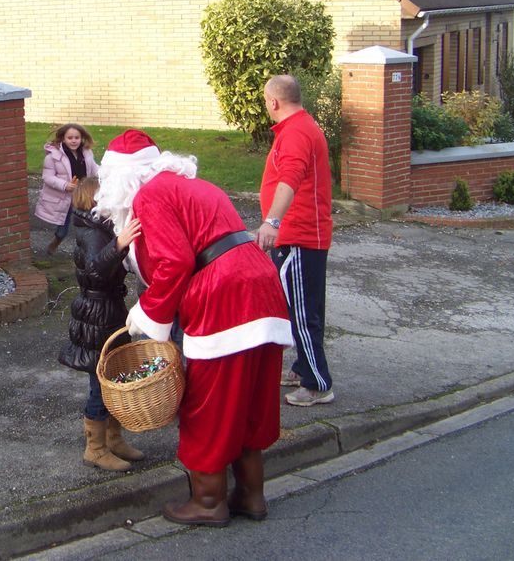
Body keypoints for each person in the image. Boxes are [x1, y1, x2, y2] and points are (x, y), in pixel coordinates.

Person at [95, 130, 293, 527]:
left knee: (210, 404)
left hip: (224, 297)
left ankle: (207, 501)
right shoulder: (194, 185)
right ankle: (251, 495)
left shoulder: (149, 196)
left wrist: (147, 311)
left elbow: (176, 262)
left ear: (121, 178)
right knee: (251, 399)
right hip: (261, 284)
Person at [256, 74, 335, 407]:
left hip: (299, 237)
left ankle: (318, 384)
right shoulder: (299, 127)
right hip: (302, 235)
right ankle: (303, 368)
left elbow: (290, 178)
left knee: (303, 314)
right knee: (300, 308)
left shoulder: (296, 133)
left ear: (273, 102)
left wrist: (272, 221)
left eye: (266, 101)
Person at [58, 176, 144, 472]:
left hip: (108, 309)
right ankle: (95, 448)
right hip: (97, 313)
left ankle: (114, 438)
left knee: (115, 375)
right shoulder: (92, 231)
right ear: (93, 200)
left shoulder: (99, 226)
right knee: (101, 381)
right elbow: (95, 269)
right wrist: (119, 243)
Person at [33, 123, 98, 255]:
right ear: (63, 139)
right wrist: (64, 185)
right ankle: (57, 240)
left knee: (91, 221)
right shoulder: (53, 157)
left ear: (82, 138)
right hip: (66, 196)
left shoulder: (86, 153)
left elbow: (94, 169)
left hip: (84, 193)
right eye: (70, 138)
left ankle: (90, 248)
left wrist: (105, 173)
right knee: (64, 226)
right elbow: (48, 177)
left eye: (77, 137)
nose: (74, 141)